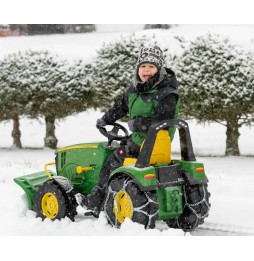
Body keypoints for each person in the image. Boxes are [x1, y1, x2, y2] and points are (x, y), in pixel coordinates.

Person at [76, 45, 179, 217]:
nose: (146, 70)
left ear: (159, 69)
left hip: (153, 141)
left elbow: (164, 121)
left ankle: (96, 200)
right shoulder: (134, 91)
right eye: (143, 66)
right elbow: (120, 107)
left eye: (151, 66)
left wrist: (139, 124)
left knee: (112, 161)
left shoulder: (166, 93)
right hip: (140, 138)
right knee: (124, 145)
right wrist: (106, 120)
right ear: (138, 69)